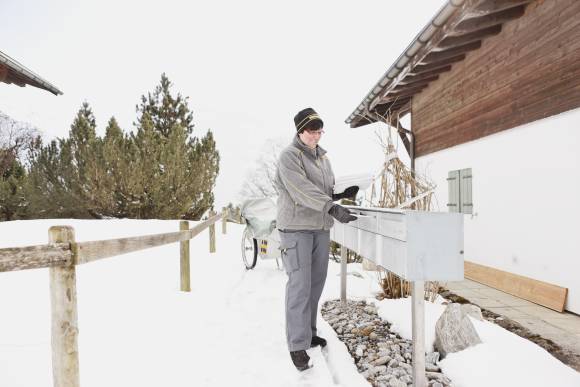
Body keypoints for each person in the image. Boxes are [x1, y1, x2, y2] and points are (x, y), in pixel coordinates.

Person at [274, 107, 358, 371]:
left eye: (320, 131)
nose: (317, 136)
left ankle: (309, 333)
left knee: (315, 285)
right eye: (313, 131)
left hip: (320, 228)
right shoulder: (289, 156)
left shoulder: (323, 159)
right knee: (299, 286)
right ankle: (297, 345)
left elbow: (323, 190)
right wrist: (331, 207)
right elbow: (301, 190)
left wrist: (342, 194)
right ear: (300, 130)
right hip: (296, 228)